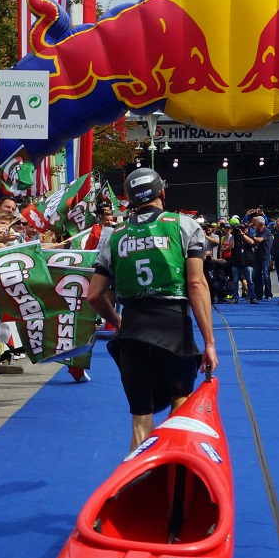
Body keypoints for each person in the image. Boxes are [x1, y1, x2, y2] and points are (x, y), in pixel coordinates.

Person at [87, 169, 217, 451]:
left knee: (140, 416)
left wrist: (118, 321)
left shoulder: (114, 235)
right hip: (174, 327)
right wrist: (209, 341)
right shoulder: (185, 225)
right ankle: (174, 469)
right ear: (162, 192)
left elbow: (94, 295)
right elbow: (196, 283)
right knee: (180, 402)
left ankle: (142, 474)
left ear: (131, 200)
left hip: (133, 329)